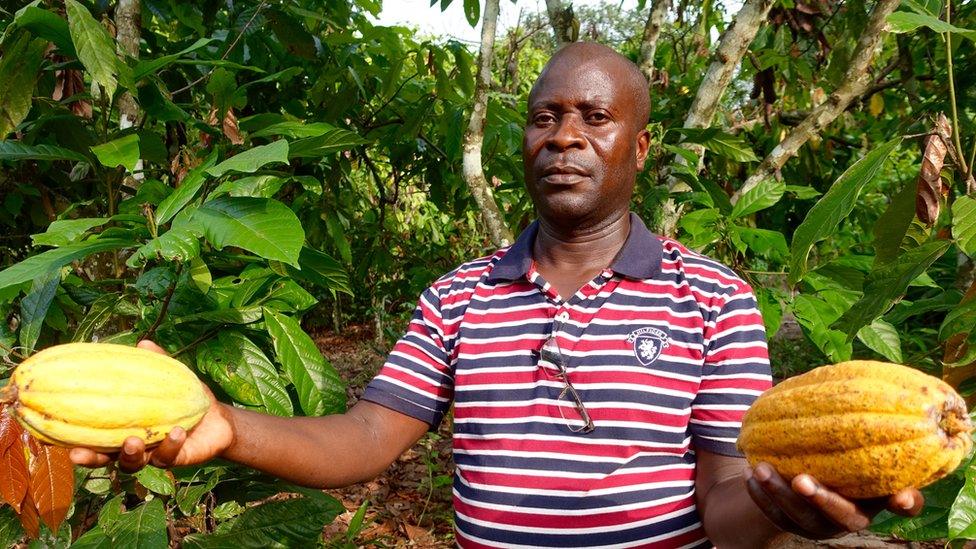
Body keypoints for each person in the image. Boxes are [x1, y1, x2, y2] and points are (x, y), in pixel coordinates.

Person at [70, 42, 923, 548]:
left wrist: (783, 514)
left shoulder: (714, 299)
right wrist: (227, 425)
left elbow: (724, 498)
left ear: (641, 145)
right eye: (544, 116)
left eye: (595, 117)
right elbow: (367, 435)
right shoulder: (459, 295)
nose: (564, 136)